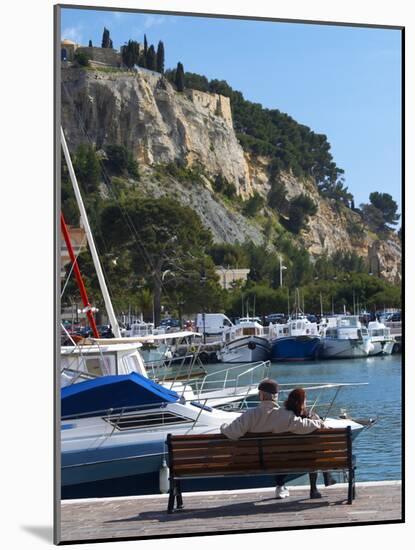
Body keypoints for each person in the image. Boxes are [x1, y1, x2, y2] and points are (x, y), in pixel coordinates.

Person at [220, 378, 324, 499]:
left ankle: (280, 485)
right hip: (281, 460)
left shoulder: (250, 415)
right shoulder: (285, 415)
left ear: (261, 395)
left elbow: (232, 433)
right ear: (276, 397)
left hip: (254, 462)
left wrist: (223, 427)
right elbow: (306, 426)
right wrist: (319, 422)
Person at [283, 388, 337, 498]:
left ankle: (327, 475)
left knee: (313, 451)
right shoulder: (309, 419)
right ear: (302, 402)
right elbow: (326, 430)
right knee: (316, 451)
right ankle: (322, 480)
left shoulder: (284, 417)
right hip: (310, 457)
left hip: (288, 458)